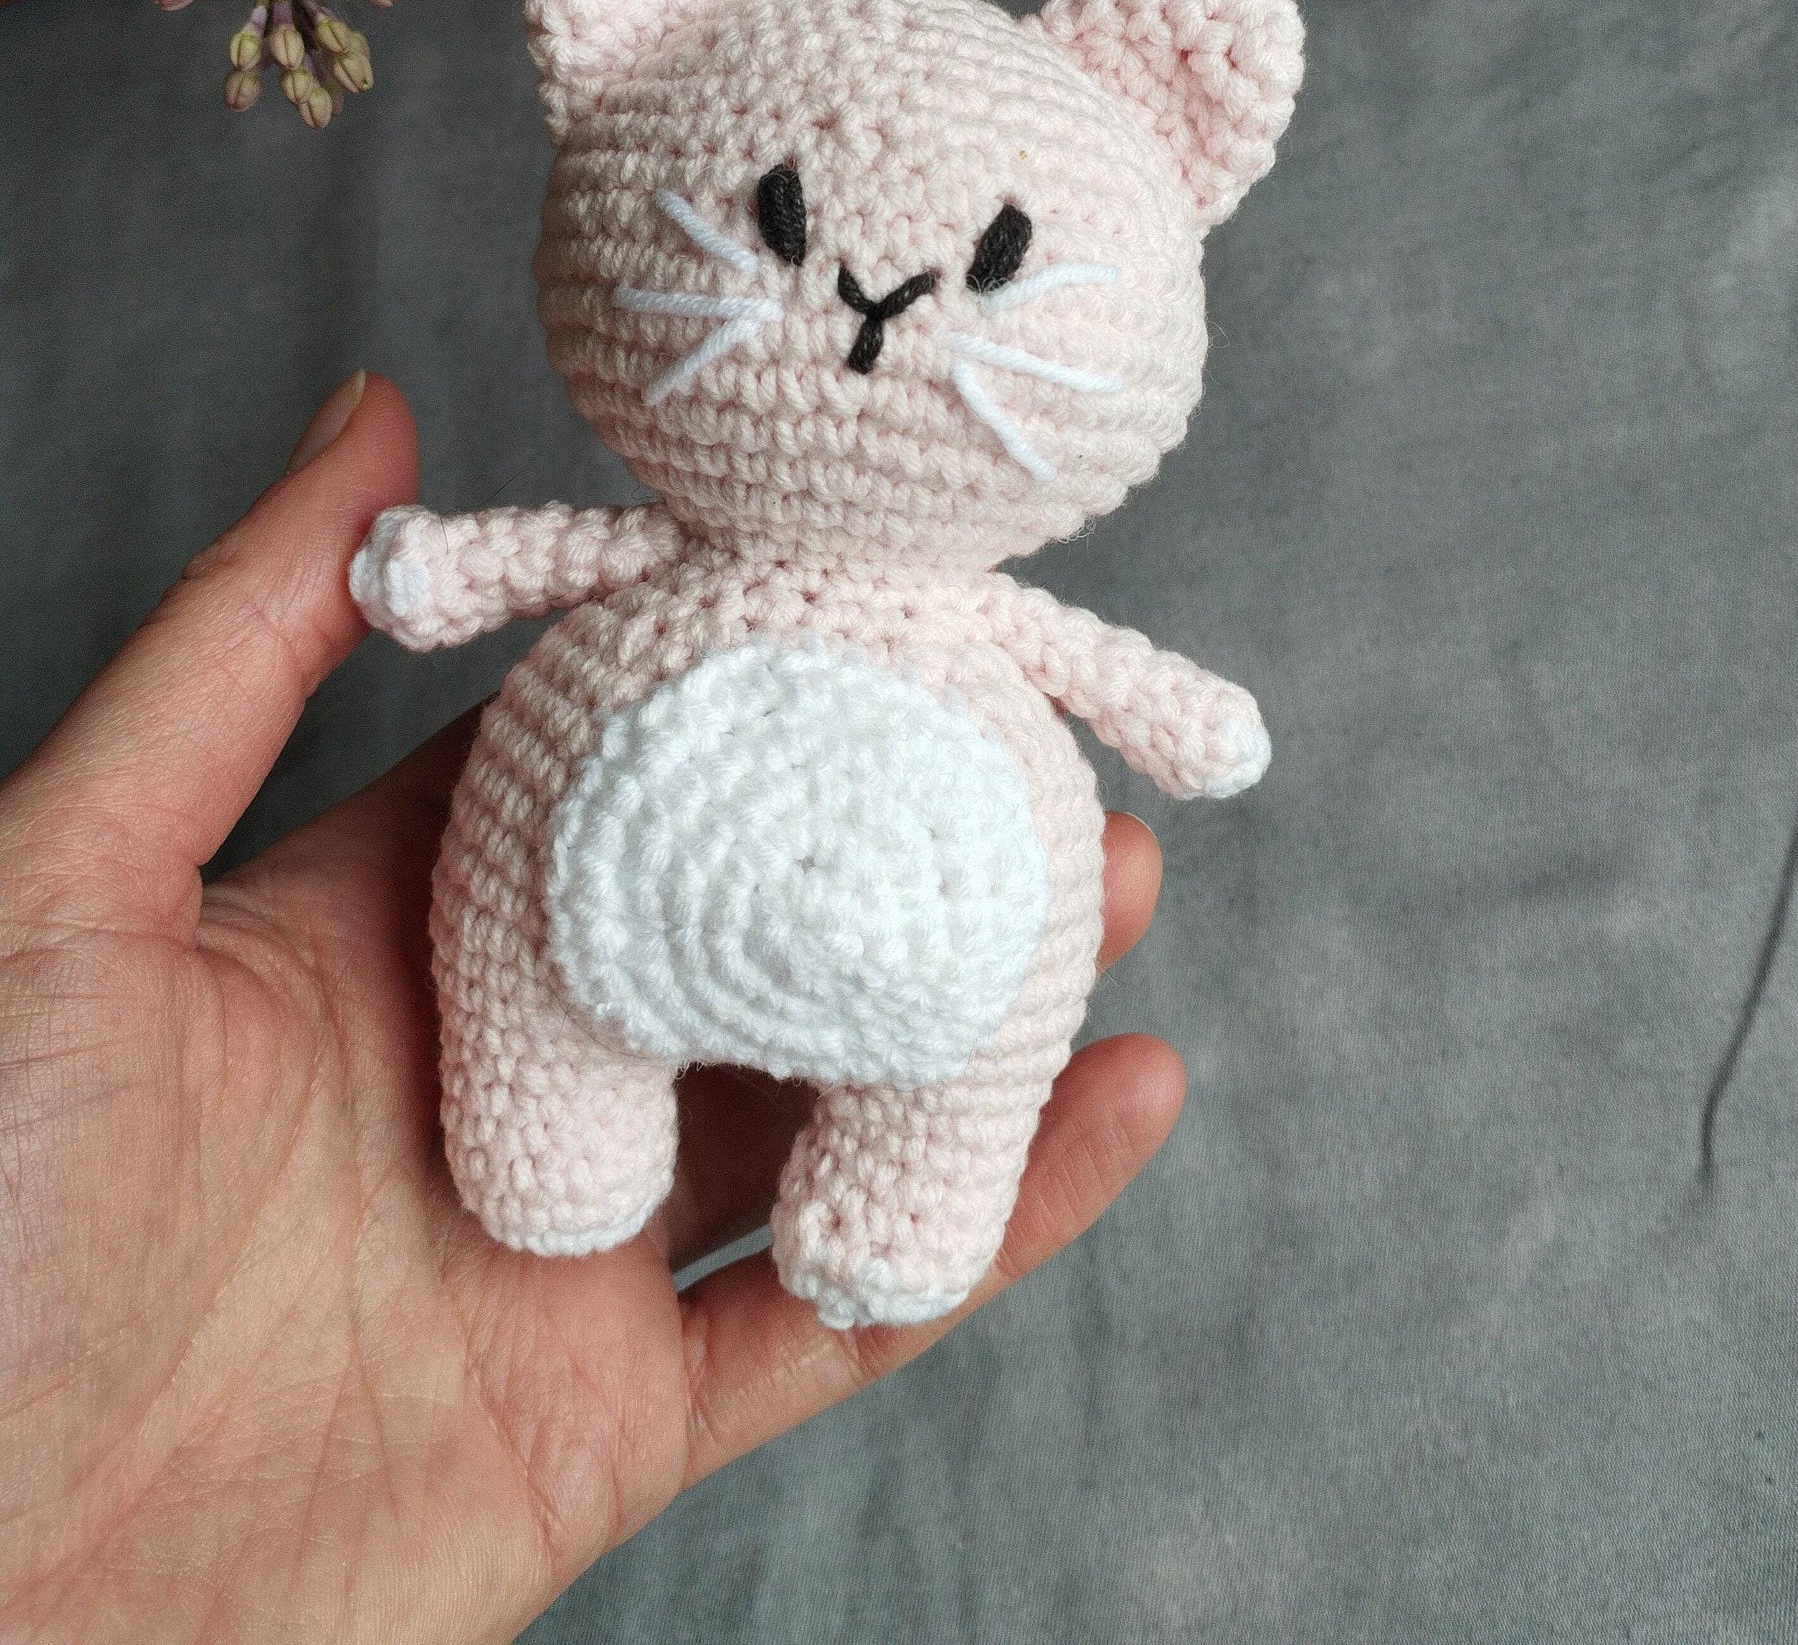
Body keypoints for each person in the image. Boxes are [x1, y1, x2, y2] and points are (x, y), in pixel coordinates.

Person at [0, 372, 1184, 1641]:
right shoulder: (696, 568)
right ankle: (566, 1144)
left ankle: (904, 1195)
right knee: (533, 976)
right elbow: (547, 557)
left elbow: (1126, 685)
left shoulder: (929, 617)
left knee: (949, 1075)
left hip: (935, 902)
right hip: (609, 883)